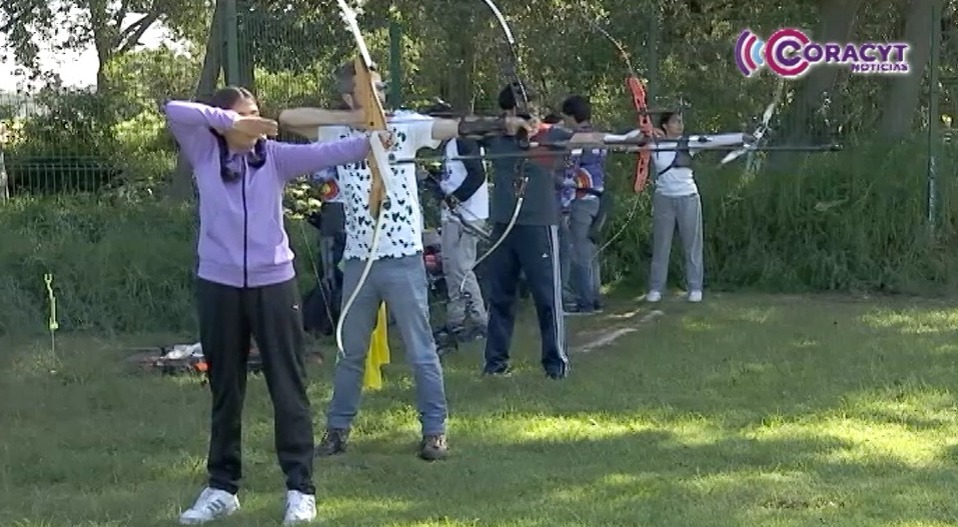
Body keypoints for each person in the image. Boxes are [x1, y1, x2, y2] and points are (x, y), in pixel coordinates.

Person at [278, 63, 533, 461]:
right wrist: (356, 119)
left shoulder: (405, 124)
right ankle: (337, 432)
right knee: (351, 352)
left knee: (421, 349)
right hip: (360, 261)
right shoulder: (335, 130)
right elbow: (287, 118)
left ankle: (435, 432)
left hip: (402, 259)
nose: (380, 95)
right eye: (371, 89)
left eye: (381, 88)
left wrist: (506, 124)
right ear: (350, 96)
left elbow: (459, 127)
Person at [162, 87, 390, 526]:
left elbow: (333, 149)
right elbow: (175, 110)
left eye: (258, 112)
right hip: (218, 284)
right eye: (247, 115)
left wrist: (373, 139)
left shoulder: (276, 157)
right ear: (223, 123)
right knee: (225, 387)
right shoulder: (206, 152)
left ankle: (300, 489)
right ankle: (222, 488)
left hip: (274, 285)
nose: (259, 121)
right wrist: (231, 124)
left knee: (289, 388)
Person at [477, 86, 611, 379]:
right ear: (510, 112)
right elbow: (463, 130)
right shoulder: (494, 135)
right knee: (500, 296)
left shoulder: (549, 135)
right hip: (504, 224)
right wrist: (504, 125)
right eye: (526, 110)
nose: (534, 117)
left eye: (536, 110)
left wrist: (636, 137)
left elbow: (589, 137)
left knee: (547, 297)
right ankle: (495, 363)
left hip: (539, 224)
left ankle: (555, 365)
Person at [645, 112, 753, 303]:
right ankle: (656, 288)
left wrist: (741, 137)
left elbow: (713, 141)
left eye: (681, 121)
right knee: (661, 245)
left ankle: (695, 287)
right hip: (664, 199)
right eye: (675, 122)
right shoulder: (654, 143)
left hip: (688, 197)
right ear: (664, 126)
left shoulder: (689, 142)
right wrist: (645, 132)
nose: (680, 125)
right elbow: (628, 140)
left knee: (692, 245)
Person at [423, 102, 491, 341]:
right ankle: (456, 322)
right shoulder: (450, 144)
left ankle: (482, 322)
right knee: (451, 267)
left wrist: (455, 198)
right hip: (453, 216)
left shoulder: (464, 140)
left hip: (468, 215)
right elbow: (453, 178)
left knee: (462, 269)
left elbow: (477, 175)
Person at [558, 96, 607, 315]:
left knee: (579, 253)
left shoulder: (578, 139)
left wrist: (564, 202)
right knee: (589, 250)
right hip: (598, 196)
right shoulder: (598, 136)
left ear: (571, 116)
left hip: (581, 198)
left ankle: (585, 301)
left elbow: (571, 172)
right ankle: (594, 296)